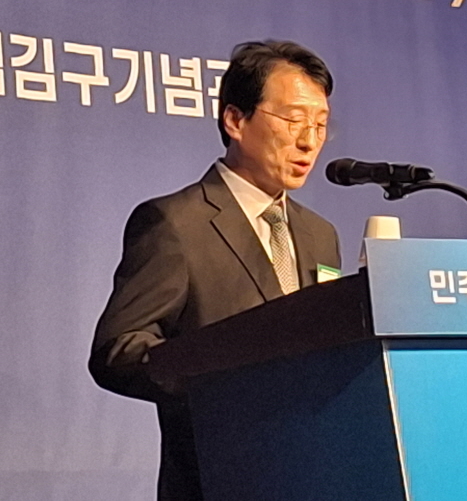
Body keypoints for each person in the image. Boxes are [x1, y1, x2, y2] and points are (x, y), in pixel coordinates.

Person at [89, 40, 341, 501]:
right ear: (235, 120)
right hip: (217, 481)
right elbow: (117, 349)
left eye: (320, 124)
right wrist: (222, 379)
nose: (309, 141)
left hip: (313, 476)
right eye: (293, 121)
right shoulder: (175, 224)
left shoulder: (320, 234)